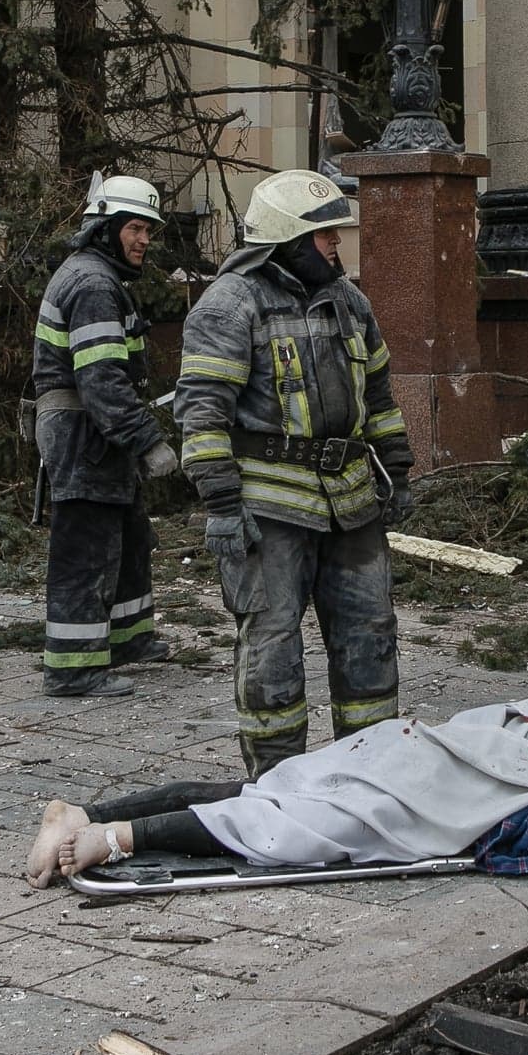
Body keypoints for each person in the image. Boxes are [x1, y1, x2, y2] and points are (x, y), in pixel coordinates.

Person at [22, 694, 528, 888]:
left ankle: (102, 823)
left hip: (443, 756)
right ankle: (106, 828)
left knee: (294, 793)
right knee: (305, 806)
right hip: (455, 758)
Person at [175, 170, 414, 775]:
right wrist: (222, 504)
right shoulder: (230, 304)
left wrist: (400, 470)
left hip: (353, 502)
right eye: (326, 236)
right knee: (273, 649)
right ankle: (277, 783)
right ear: (287, 241)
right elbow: (202, 411)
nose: (338, 246)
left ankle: (369, 774)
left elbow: (380, 395)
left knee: (370, 637)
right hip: (268, 509)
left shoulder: (349, 301)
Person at [30, 173, 179, 697]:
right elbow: (101, 379)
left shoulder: (97, 277)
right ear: (106, 228)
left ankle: (128, 639)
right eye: (136, 228)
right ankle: (73, 668)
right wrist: (147, 440)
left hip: (94, 434)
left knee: (129, 539)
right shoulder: (94, 285)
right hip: (85, 436)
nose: (144, 241)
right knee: (87, 549)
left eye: (148, 231)